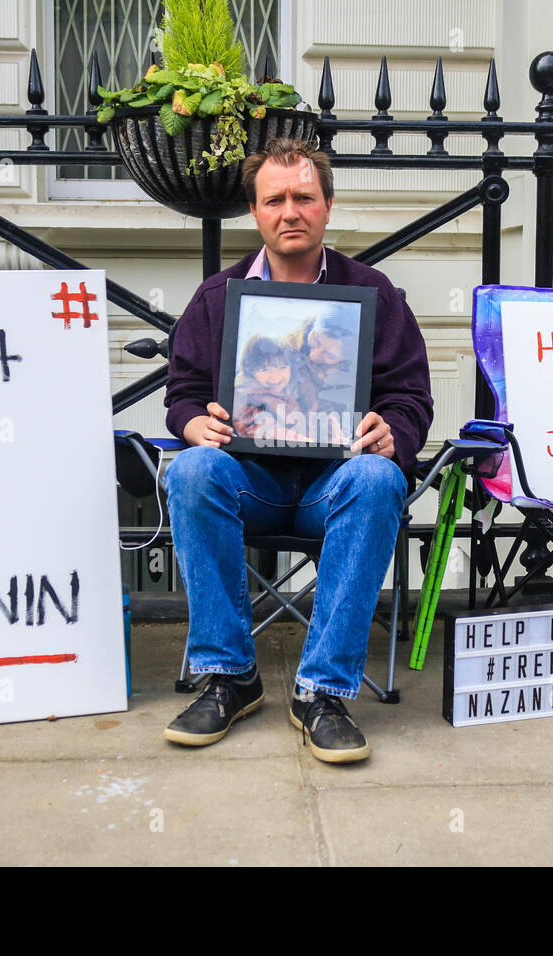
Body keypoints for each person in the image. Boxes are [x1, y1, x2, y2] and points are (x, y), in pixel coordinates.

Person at [162, 137, 434, 764]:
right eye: (275, 199)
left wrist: (396, 432)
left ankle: (321, 693)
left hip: (332, 491)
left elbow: (411, 397)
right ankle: (229, 676)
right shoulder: (218, 298)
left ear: (328, 207)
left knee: (378, 477)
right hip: (248, 482)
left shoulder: (374, 295)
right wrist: (191, 424)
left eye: (304, 198)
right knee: (194, 468)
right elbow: (183, 392)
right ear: (255, 213)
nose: (290, 211)